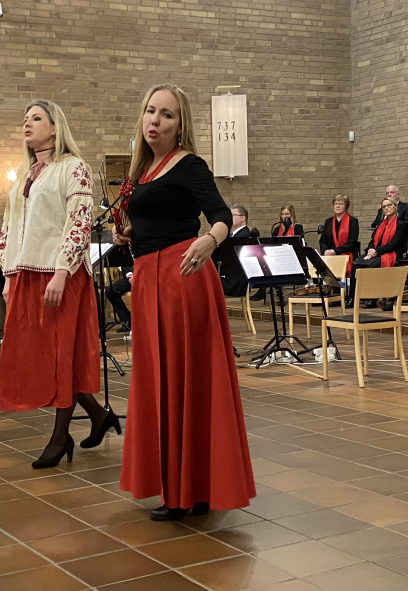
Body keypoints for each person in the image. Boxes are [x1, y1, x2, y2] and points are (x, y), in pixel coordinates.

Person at [114, 84, 255, 522]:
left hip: (182, 277)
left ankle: (189, 489)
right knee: (161, 381)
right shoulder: (142, 171)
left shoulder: (189, 164)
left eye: (167, 114)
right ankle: (185, 486)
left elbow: (221, 215)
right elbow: (155, 220)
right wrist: (129, 234)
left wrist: (209, 241)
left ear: (180, 125)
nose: (155, 120)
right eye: (150, 111)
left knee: (185, 381)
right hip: (149, 280)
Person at [0, 99, 119, 470]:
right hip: (28, 273)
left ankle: (60, 436)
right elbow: (9, 226)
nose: (27, 124)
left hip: (61, 274)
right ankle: (99, 416)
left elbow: (79, 222)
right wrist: (9, 274)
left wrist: (62, 270)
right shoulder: (25, 174)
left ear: (54, 127)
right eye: (25, 119)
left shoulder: (74, 167)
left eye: (36, 118)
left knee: (61, 354)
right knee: (41, 355)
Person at [348, 197, 408, 309]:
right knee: (355, 265)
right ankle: (353, 297)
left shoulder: (402, 224)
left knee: (369, 268)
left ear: (395, 207)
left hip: (391, 253)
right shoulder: (381, 225)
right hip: (376, 253)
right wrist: (370, 249)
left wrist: (376, 252)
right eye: (384, 206)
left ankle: (372, 298)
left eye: (389, 205)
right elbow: (373, 240)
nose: (386, 208)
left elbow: (394, 244)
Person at [319, 194, 359, 278]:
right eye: (336, 204)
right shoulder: (328, 222)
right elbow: (323, 240)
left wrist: (335, 251)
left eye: (341, 204)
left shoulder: (353, 221)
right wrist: (325, 251)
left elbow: (352, 242)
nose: (337, 206)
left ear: (346, 206)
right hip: (330, 256)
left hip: (346, 255)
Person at [218, 205, 251, 297]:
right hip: (231, 278)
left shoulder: (243, 237)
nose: (229, 219)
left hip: (236, 282)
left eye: (232, 215)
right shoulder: (234, 235)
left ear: (243, 218)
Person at [105, 267, 132, 332]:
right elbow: (125, 264)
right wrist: (130, 275)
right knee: (110, 290)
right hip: (130, 277)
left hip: (146, 275)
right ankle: (127, 321)